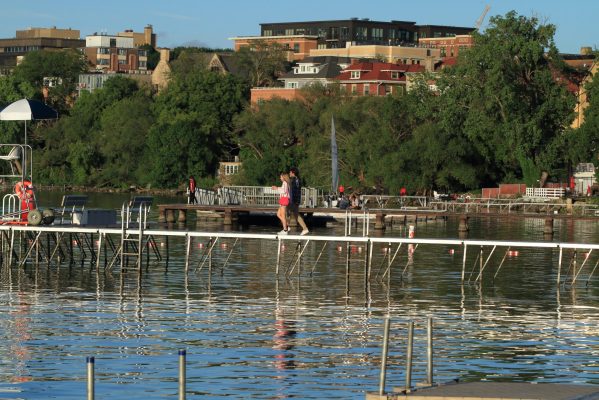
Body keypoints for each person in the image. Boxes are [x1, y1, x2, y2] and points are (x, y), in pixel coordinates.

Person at [288, 167, 309, 235]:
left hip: (294, 200)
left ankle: (286, 228)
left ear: (293, 173)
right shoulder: (296, 179)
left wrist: (294, 201)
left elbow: (295, 191)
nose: (289, 173)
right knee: (296, 215)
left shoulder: (295, 180)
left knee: (287, 212)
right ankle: (305, 228)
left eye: (290, 172)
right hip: (295, 200)